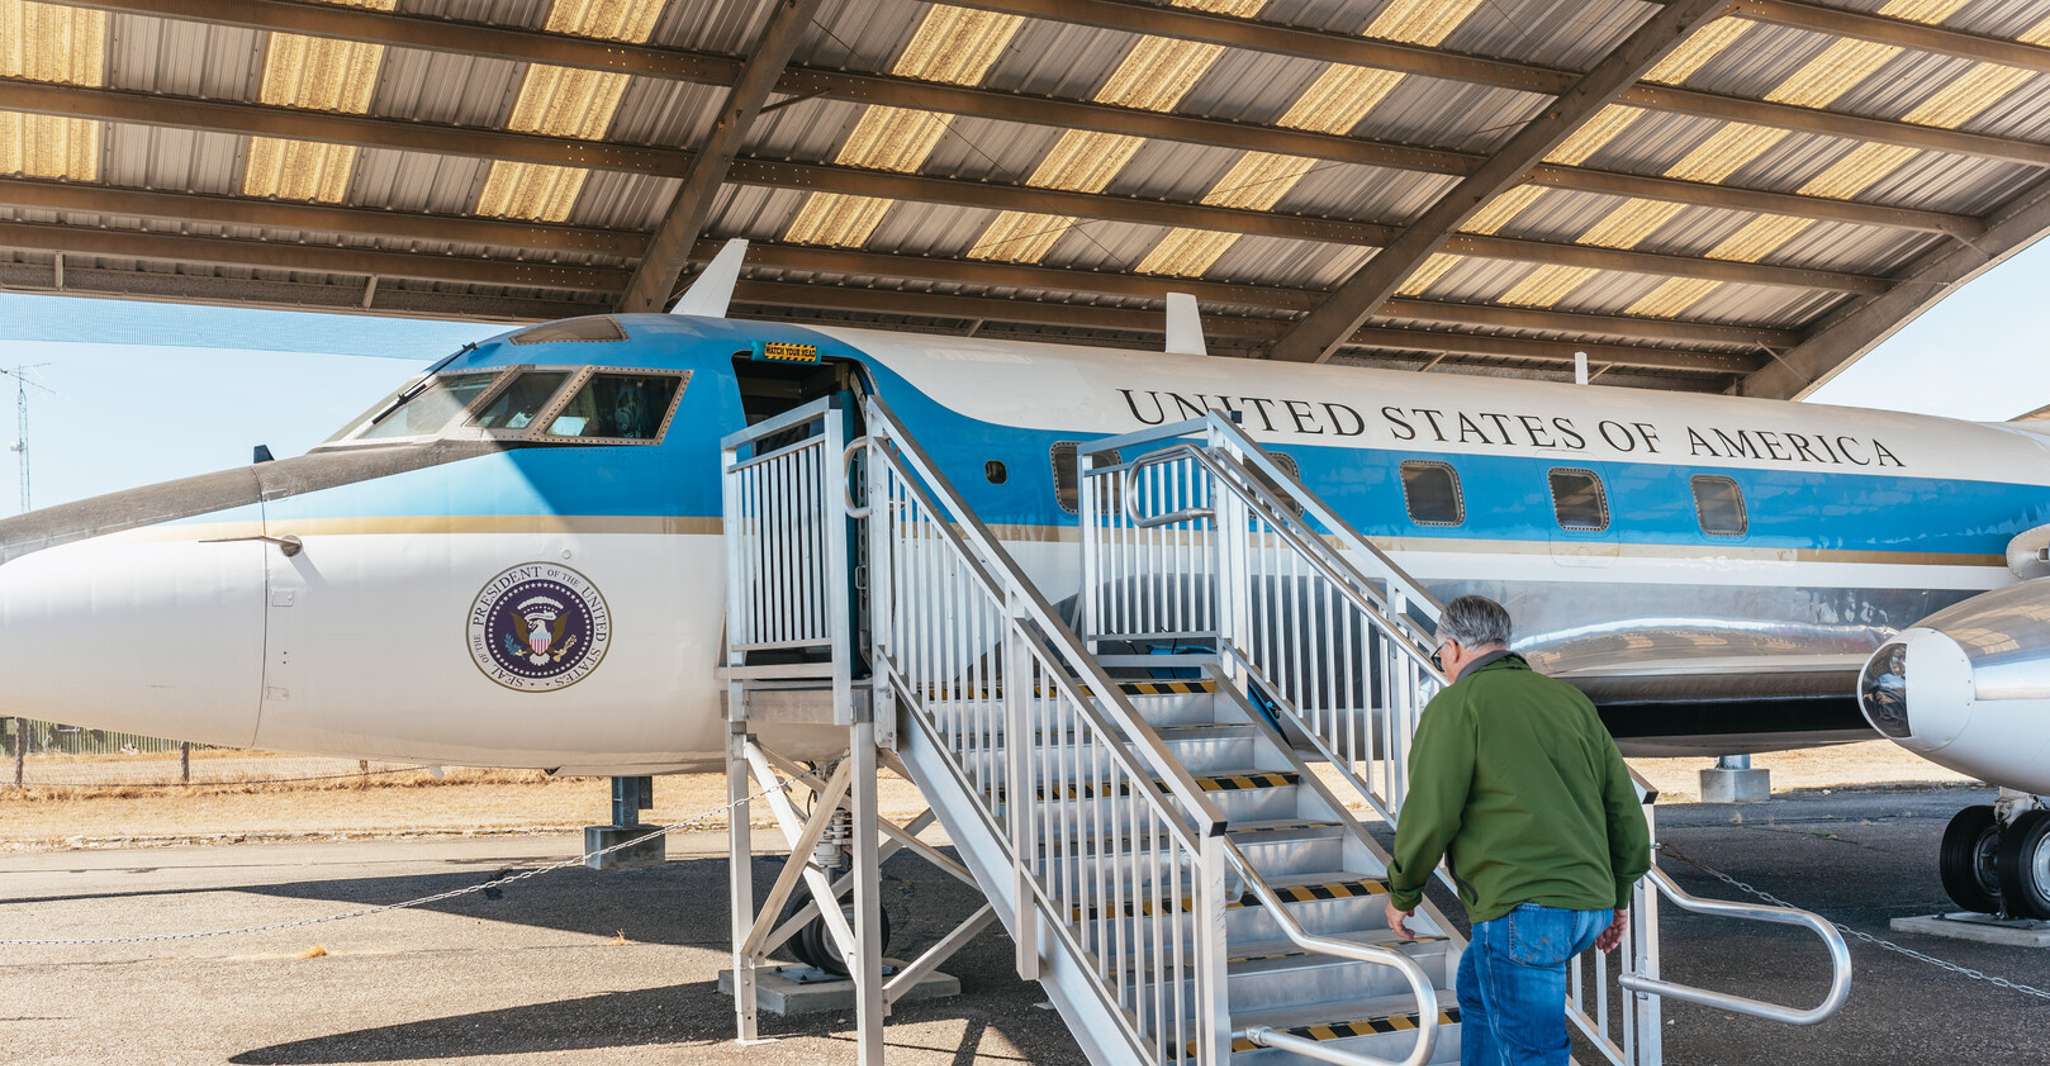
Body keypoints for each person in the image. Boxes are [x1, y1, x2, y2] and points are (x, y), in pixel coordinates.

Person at [1383, 595, 1651, 1066]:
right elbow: (1622, 806)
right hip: (1586, 905)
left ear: (1451, 648)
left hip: (1523, 909)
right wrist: (1619, 896)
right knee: (1478, 991)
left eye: (1438, 656)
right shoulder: (1568, 700)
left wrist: (1403, 890)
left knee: (1533, 1052)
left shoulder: (1458, 705)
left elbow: (1431, 812)